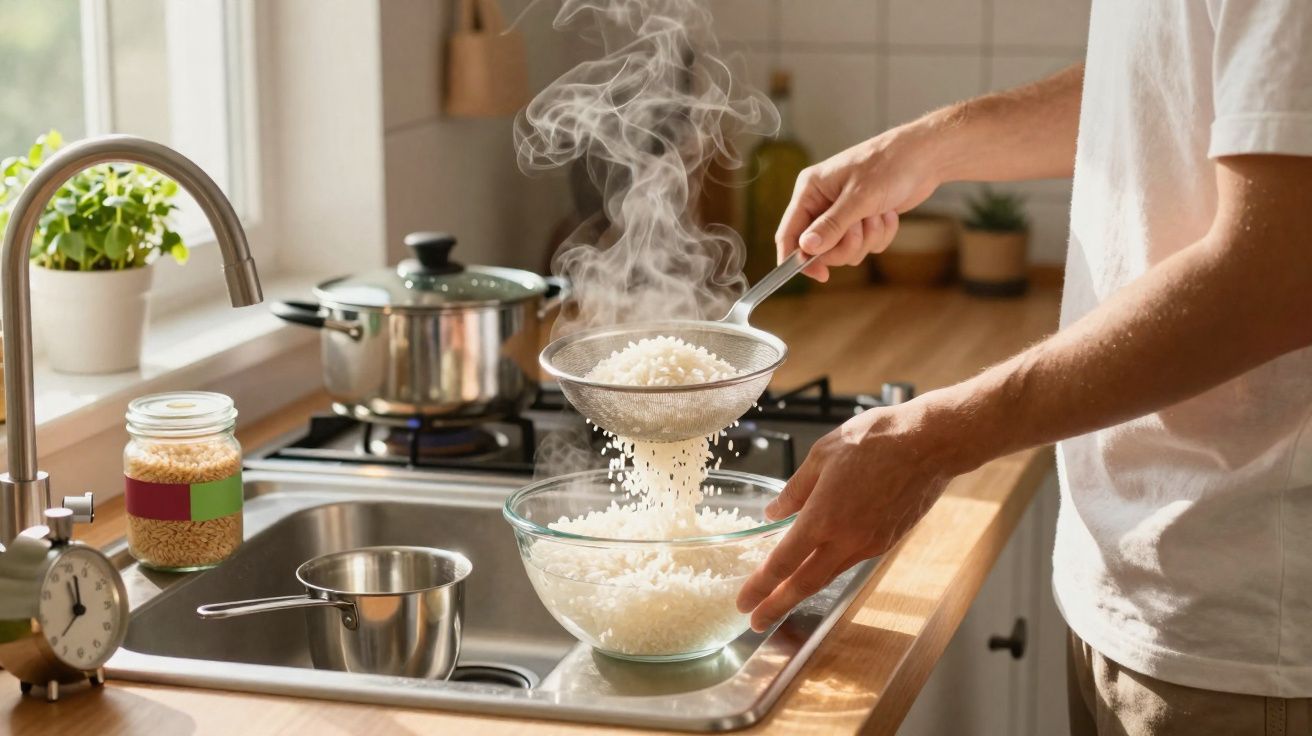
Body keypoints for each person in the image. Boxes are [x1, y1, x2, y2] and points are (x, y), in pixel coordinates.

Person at [734, 2, 1312, 733]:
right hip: (1138, 584)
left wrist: (932, 439)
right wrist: (927, 149)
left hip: (1248, 626)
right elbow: (1157, 82)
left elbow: (1276, 276)